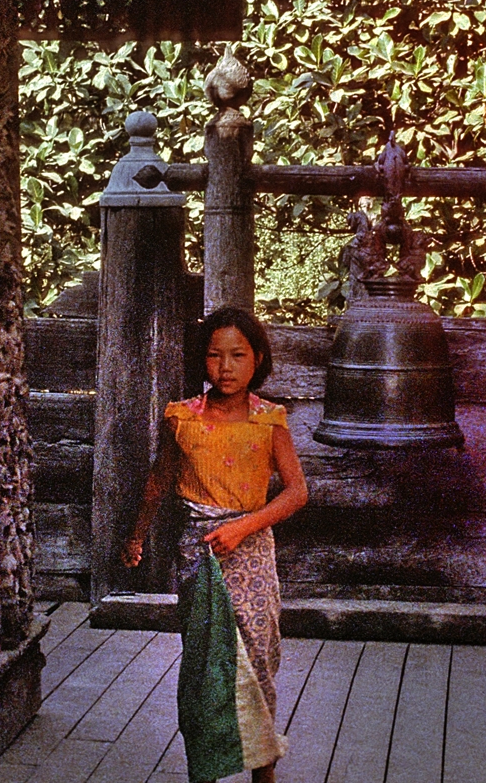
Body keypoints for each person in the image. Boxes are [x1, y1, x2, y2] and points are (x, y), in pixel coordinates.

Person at [122, 307, 308, 783]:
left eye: (237, 356)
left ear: (257, 359)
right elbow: (159, 480)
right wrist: (137, 534)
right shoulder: (182, 418)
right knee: (207, 661)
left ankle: (262, 772)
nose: (225, 367)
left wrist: (244, 528)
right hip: (198, 553)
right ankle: (203, 770)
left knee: (257, 659)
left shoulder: (270, 421)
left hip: (251, 553)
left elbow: (295, 493)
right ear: (202, 361)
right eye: (214, 356)